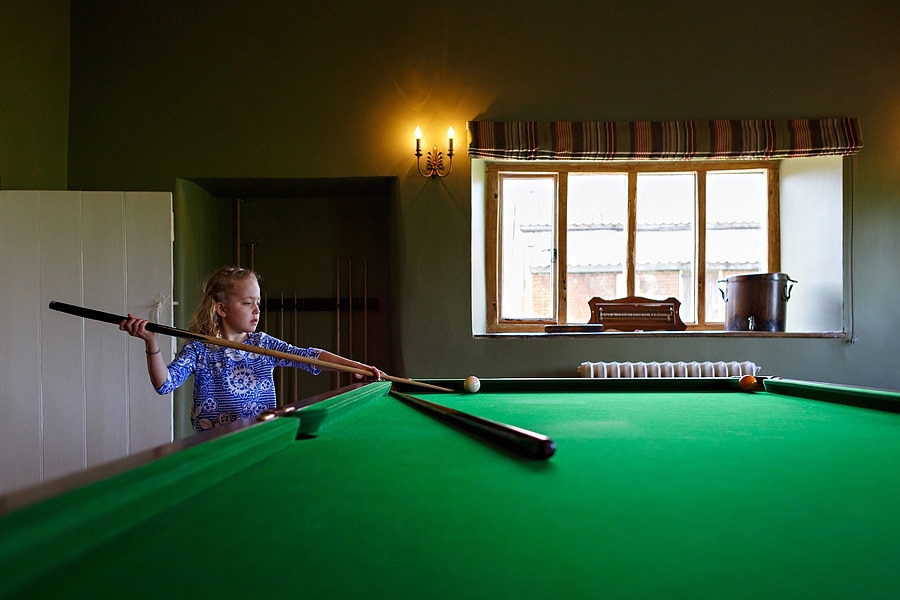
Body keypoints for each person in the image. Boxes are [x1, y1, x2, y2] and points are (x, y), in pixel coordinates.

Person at [120, 266, 383, 432]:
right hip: (214, 445)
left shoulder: (263, 345)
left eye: (258, 302)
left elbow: (309, 356)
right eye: (247, 303)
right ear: (221, 309)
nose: (257, 310)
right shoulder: (200, 349)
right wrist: (151, 342)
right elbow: (165, 384)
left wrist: (356, 366)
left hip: (261, 435)